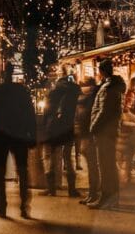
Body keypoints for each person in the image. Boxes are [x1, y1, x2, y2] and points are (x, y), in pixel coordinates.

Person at [0, 63, 37, 219]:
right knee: (22, 171)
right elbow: (30, 114)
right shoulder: (22, 91)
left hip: (1, 135)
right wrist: (32, 135)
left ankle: (1, 207)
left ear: (3, 74)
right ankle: (24, 206)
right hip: (19, 135)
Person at [88, 59, 126, 210]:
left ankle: (106, 197)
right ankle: (112, 198)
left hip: (104, 131)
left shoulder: (108, 87)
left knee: (105, 165)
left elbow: (103, 111)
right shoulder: (115, 86)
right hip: (110, 130)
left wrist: (93, 127)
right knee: (109, 165)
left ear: (102, 71)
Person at [41, 75, 80, 197]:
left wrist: (44, 126)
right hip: (68, 129)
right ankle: (72, 189)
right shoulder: (74, 93)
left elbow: (46, 111)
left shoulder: (53, 93)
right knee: (69, 158)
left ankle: (51, 189)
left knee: (49, 157)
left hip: (53, 129)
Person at [74, 77, 100, 205]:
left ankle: (94, 193)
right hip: (86, 135)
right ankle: (92, 193)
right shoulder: (86, 98)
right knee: (91, 166)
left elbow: (87, 117)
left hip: (90, 136)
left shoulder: (91, 98)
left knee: (93, 166)